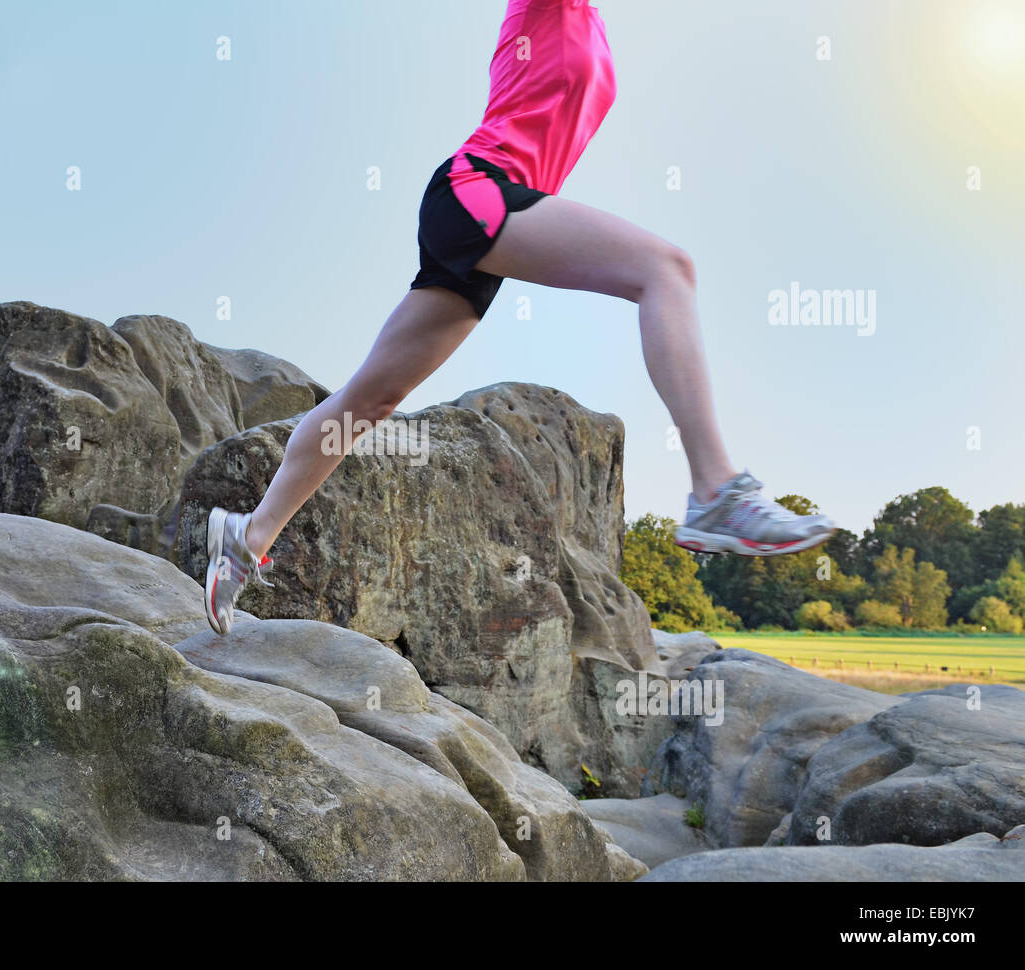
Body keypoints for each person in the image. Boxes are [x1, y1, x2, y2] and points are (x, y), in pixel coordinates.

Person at [204, 0, 834, 635]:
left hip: (489, 214)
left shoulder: (591, 25)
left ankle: (247, 536)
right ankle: (717, 492)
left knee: (372, 396)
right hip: (477, 189)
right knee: (666, 270)